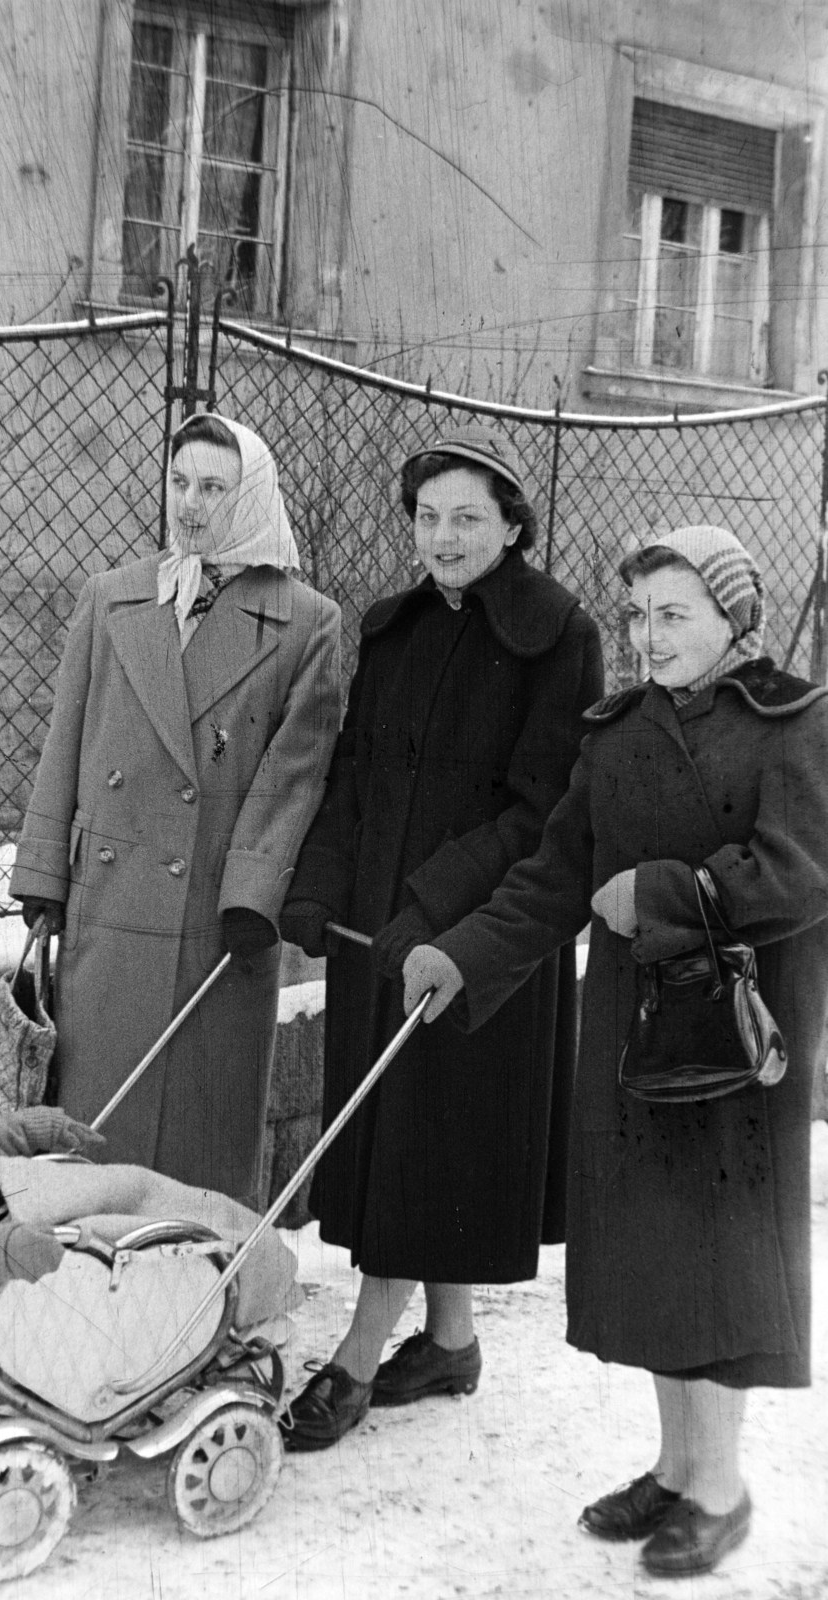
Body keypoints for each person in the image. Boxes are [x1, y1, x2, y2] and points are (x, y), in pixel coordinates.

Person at [402, 525, 828, 1577]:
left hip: (739, 1032)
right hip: (635, 1032)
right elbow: (554, 875)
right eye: (638, 615)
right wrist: (459, 955)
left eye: (673, 614)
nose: (646, 637)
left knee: (719, 1256)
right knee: (652, 1255)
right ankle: (678, 1467)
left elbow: (799, 868)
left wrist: (666, 893)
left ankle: (721, 1487)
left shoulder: (794, 723)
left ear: (735, 619)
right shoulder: (616, 733)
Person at [277, 426, 604, 1450]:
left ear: (512, 525)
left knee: (429, 1136)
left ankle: (359, 1355)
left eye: (467, 517)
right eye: (426, 517)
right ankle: (450, 1339)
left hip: (487, 933)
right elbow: (354, 774)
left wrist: (433, 902)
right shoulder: (390, 626)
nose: (443, 536)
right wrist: (316, 888)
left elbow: (540, 803)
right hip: (381, 923)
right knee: (411, 1136)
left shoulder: (560, 634)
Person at [9, 414, 341, 1206]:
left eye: (214, 488)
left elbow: (295, 776)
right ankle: (89, 1293)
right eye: (179, 482)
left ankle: (199, 1304)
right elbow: (68, 741)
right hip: (109, 905)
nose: (190, 504)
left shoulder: (305, 622)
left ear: (251, 495)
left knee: (201, 1132)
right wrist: (42, 873)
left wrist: (251, 899)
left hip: (216, 922)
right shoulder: (112, 597)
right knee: (99, 1122)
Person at [0, 1079, 300, 1330]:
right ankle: (253, 1272)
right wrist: (41, 1245)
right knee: (146, 1218)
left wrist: (42, 1127)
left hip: (53, 1204)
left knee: (137, 1186)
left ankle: (259, 1254)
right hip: (53, 1236)